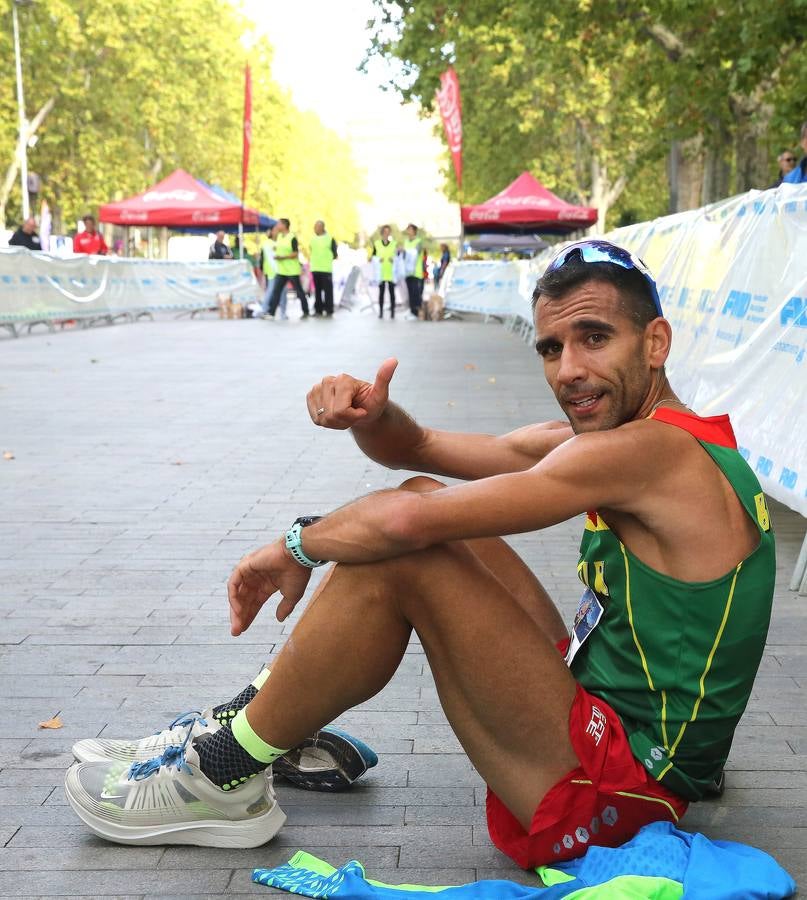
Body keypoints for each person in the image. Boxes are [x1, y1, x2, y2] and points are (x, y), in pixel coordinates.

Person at [64, 240, 775, 872]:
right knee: (430, 503)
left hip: (620, 800)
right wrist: (374, 417)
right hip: (620, 737)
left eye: (594, 337)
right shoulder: (664, 435)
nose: (570, 370)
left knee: (406, 554)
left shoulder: (646, 452)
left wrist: (295, 545)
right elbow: (421, 454)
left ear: (655, 343)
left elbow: (403, 526)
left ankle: (220, 771)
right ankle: (248, 725)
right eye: (551, 348)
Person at [265, 218, 310, 319]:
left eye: (279, 224)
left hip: (292, 270)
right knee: (276, 291)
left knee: (298, 291)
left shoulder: (292, 237)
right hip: (282, 270)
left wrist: (282, 257)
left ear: (285, 225)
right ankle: (271, 312)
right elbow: (275, 242)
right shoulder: (280, 237)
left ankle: (305, 311)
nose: (277, 226)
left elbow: (295, 253)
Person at [310, 220, 338, 317]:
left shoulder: (330, 239)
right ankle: (318, 310)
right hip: (315, 268)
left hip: (326, 269)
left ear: (322, 227)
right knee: (317, 291)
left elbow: (335, 254)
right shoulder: (312, 239)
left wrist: (326, 259)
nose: (314, 229)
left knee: (328, 291)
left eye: (316, 227)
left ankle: (329, 310)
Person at [260, 225, 288, 319]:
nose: (277, 232)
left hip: (283, 271)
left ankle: (283, 313)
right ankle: (264, 310)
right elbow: (271, 258)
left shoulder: (281, 241)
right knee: (271, 291)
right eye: (275, 230)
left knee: (283, 292)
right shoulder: (267, 243)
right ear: (271, 232)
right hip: (273, 271)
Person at [371, 225, 398, 319]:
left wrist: (393, 259)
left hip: (391, 272)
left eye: (388, 232)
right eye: (385, 232)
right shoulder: (377, 244)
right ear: (382, 233)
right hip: (381, 273)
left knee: (392, 293)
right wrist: (378, 260)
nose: (386, 234)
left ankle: (393, 313)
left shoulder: (394, 244)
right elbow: (373, 257)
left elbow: (397, 258)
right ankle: (381, 312)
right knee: (381, 293)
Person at [403, 223, 425, 319]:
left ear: (414, 231)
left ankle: (416, 313)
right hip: (407, 272)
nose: (409, 231)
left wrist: (405, 251)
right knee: (410, 293)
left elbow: (415, 253)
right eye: (408, 229)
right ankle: (412, 311)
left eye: (410, 229)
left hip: (416, 272)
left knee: (416, 294)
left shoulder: (418, 242)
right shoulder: (406, 242)